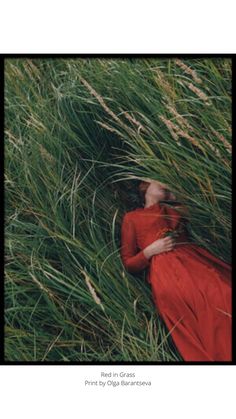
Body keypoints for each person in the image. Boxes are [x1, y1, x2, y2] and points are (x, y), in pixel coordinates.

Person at [120, 179, 232, 361]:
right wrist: (149, 251)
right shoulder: (132, 218)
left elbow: (203, 210)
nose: (163, 182)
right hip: (168, 274)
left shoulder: (177, 208)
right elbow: (129, 263)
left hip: (195, 261)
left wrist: (174, 195)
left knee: (225, 293)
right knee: (202, 317)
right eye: (157, 179)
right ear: (144, 186)